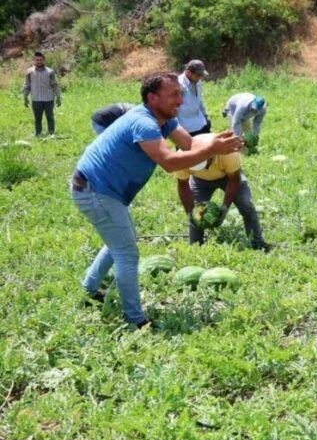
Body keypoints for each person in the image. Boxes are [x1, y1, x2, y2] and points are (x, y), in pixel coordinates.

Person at [71, 73, 243, 328]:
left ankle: (89, 290)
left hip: (106, 191)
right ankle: (135, 320)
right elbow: (169, 162)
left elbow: (188, 144)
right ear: (153, 98)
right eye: (174, 95)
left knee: (117, 243)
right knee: (126, 253)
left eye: (181, 94)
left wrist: (214, 141)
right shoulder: (144, 123)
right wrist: (211, 149)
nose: (180, 101)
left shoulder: (166, 121)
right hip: (95, 190)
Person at [175, 132, 270, 251]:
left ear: (210, 155)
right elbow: (183, 185)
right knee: (196, 213)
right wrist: (190, 212)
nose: (204, 169)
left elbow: (234, 180)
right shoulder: (181, 158)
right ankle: (196, 247)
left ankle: (258, 244)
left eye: (205, 165)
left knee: (246, 205)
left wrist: (225, 207)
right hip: (199, 181)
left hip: (228, 176)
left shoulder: (228, 152)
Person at [22, 51, 62, 136]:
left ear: (44, 60)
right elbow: (27, 85)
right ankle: (38, 134)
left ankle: (51, 134)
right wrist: (25, 97)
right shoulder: (30, 72)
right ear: (34, 60)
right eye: (37, 60)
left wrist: (58, 97)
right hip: (36, 100)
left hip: (48, 99)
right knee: (37, 119)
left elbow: (54, 85)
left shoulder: (50, 72)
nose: (39, 61)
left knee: (50, 117)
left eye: (40, 60)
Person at [177, 59, 211, 134]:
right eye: (198, 75)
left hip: (201, 123)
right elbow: (174, 107)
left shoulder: (197, 82)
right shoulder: (178, 84)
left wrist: (205, 116)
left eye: (201, 75)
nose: (200, 78)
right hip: (186, 127)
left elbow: (199, 100)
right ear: (188, 72)